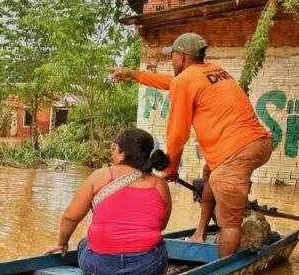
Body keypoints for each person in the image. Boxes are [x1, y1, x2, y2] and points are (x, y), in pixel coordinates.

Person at [109, 32, 272, 257]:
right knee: (210, 175)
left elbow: (177, 135)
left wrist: (171, 168)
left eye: (173, 55)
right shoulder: (214, 71)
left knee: (230, 223)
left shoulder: (186, 80)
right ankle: (200, 233)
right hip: (260, 143)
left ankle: (223, 271)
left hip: (238, 151)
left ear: (182, 57)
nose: (171, 60)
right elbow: (171, 83)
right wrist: (133, 74)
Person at [46, 128, 172, 275]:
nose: (112, 153)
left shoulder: (99, 176)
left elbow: (70, 217)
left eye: (115, 148)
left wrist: (61, 242)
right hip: (146, 270)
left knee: (84, 244)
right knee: (160, 245)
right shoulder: (160, 185)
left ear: (122, 153)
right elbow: (161, 226)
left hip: (100, 269)